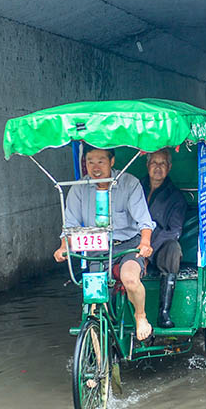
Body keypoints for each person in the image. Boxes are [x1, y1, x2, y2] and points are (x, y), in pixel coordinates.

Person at [53, 145, 155, 341]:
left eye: (101, 161)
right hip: (97, 248)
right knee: (93, 302)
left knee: (131, 280)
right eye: (90, 162)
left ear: (112, 162)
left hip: (127, 245)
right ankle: (98, 352)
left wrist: (145, 243)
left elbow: (144, 221)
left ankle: (141, 316)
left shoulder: (129, 183)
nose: (95, 167)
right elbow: (70, 225)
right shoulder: (79, 188)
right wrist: (64, 247)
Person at [141, 148, 187, 328]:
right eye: (154, 163)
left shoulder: (176, 197)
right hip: (135, 242)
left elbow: (174, 230)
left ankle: (163, 312)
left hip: (159, 247)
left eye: (162, 164)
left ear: (169, 167)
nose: (158, 167)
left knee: (173, 248)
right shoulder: (136, 188)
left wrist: (149, 251)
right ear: (147, 165)